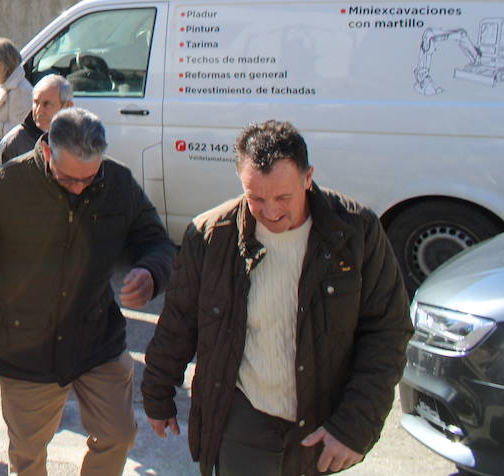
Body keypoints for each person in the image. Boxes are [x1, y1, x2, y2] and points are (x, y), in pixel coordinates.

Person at [141, 120, 412, 476]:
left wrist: (355, 425)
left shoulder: (356, 233)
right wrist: (157, 392)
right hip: (243, 415)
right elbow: (180, 321)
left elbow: (387, 332)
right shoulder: (210, 236)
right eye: (255, 198)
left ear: (308, 177)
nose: (270, 212)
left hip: (322, 419)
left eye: (283, 197)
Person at [0, 107, 175, 476]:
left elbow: (155, 241)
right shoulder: (4, 185)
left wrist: (151, 272)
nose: (81, 187)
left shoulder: (116, 182)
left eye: (89, 178)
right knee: (28, 454)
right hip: (24, 348)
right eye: (69, 180)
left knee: (118, 435)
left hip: (97, 340)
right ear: (48, 151)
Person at [0, 75, 73, 165]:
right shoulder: (13, 143)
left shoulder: (81, 139)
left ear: (67, 106)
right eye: (36, 103)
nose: (39, 111)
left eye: (47, 104)